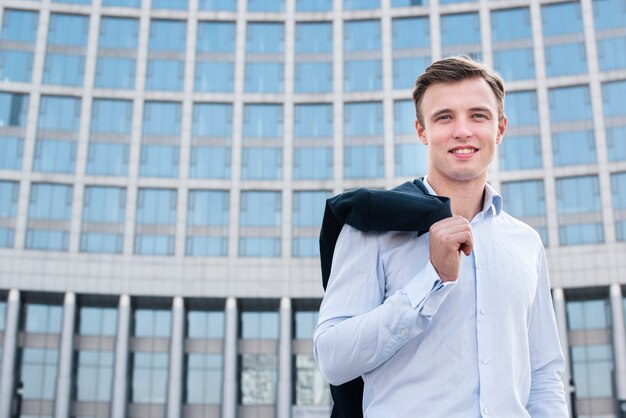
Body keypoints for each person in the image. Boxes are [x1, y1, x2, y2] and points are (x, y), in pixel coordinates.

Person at [313, 56, 569, 417]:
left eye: (478, 115)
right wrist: (431, 280)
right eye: (444, 117)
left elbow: (543, 373)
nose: (462, 130)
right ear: (422, 131)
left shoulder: (525, 242)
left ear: (500, 129)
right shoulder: (371, 226)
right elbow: (333, 358)